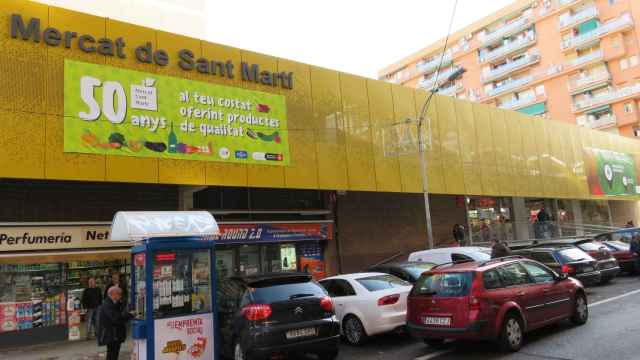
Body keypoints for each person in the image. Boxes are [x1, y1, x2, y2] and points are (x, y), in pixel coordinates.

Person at [98, 286, 133, 360]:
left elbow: (117, 313)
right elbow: (116, 318)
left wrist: (120, 304)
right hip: (112, 334)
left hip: (113, 334)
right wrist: (129, 315)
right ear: (113, 294)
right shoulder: (107, 304)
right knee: (112, 353)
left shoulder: (112, 303)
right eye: (119, 294)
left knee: (113, 353)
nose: (120, 296)